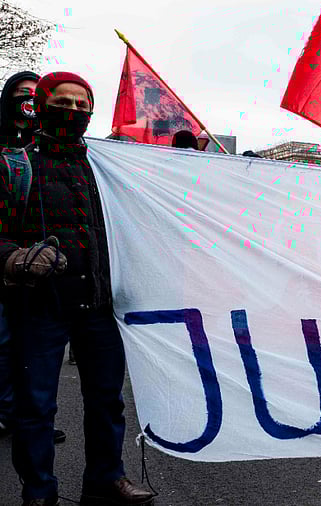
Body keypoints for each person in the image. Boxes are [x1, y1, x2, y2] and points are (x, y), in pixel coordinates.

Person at [0, 72, 154, 506]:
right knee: (36, 409)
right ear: (42, 105)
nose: (72, 110)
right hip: (38, 308)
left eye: (81, 103)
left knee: (107, 402)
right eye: (62, 101)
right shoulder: (15, 166)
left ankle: (106, 480)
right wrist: (15, 257)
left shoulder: (107, 169)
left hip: (100, 306)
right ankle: (39, 493)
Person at [0, 72, 66, 446]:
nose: (27, 100)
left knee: (35, 348)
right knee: (5, 341)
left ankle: (34, 417)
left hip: (42, 265)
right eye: (21, 94)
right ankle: (7, 411)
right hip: (7, 261)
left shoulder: (50, 150)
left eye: (34, 94)